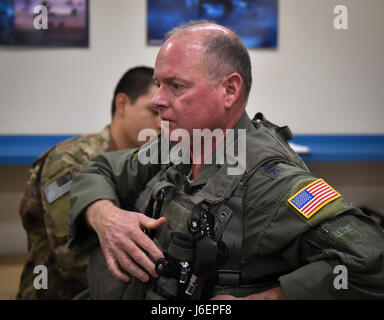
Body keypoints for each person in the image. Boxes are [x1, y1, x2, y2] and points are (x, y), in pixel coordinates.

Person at [68, 21, 384, 300]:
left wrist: (272, 297)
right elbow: (100, 169)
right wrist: (104, 215)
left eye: (176, 86)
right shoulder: (176, 146)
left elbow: (372, 263)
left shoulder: (270, 183)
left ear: (229, 90)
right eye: (159, 84)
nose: (157, 100)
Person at [17, 66, 161, 300]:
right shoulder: (69, 160)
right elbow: (72, 254)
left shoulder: (146, 165)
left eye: (163, 112)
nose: (160, 122)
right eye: (153, 111)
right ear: (122, 104)